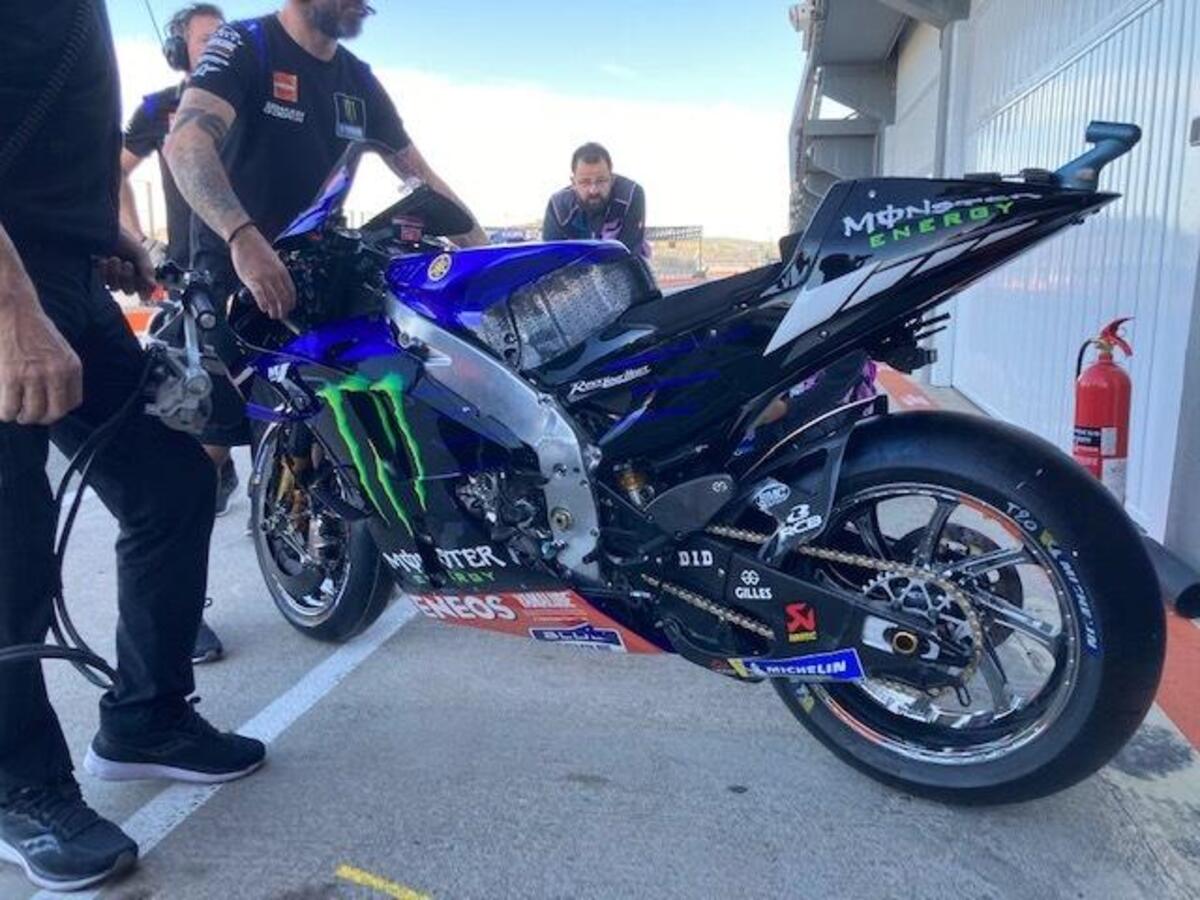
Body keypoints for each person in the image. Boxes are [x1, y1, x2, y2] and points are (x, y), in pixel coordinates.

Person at [0, 2, 265, 891]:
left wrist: (97, 228)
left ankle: (146, 719)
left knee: (171, 485)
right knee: (9, 547)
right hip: (7, 285)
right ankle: (17, 786)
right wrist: (10, 309)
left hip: (65, 273)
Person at [164, 0, 490, 462]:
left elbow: (421, 177)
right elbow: (186, 143)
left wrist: (487, 258)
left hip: (315, 283)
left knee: (328, 446)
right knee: (209, 450)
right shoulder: (245, 43)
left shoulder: (357, 78)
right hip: (234, 277)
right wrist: (241, 235)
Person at [122, 3, 228, 667]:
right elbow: (114, 174)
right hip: (199, 289)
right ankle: (183, 612)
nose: (222, 47)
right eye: (208, 38)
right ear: (177, 50)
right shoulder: (159, 107)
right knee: (197, 461)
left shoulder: (248, 99)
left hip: (267, 279)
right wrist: (138, 243)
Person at [542, 142, 650, 264]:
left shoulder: (631, 195)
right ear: (573, 182)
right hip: (575, 268)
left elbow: (630, 252)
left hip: (622, 264)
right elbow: (551, 259)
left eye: (601, 181)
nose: (593, 190)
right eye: (585, 182)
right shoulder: (558, 207)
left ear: (612, 179)